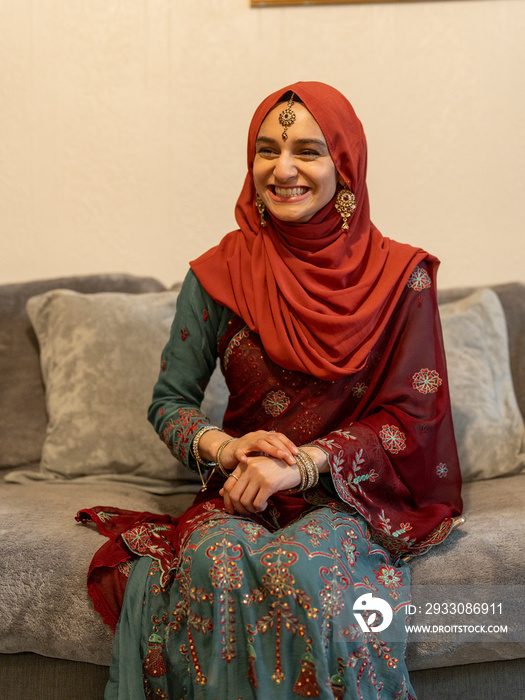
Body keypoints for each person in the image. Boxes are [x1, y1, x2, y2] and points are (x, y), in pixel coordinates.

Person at [79, 81, 463, 699]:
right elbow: (169, 403)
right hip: (241, 491)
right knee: (212, 564)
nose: (282, 170)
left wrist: (308, 465)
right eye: (266, 150)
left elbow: (413, 417)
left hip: (346, 498)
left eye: (308, 151)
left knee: (298, 574)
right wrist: (226, 449)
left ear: (345, 165)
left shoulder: (400, 277)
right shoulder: (217, 274)